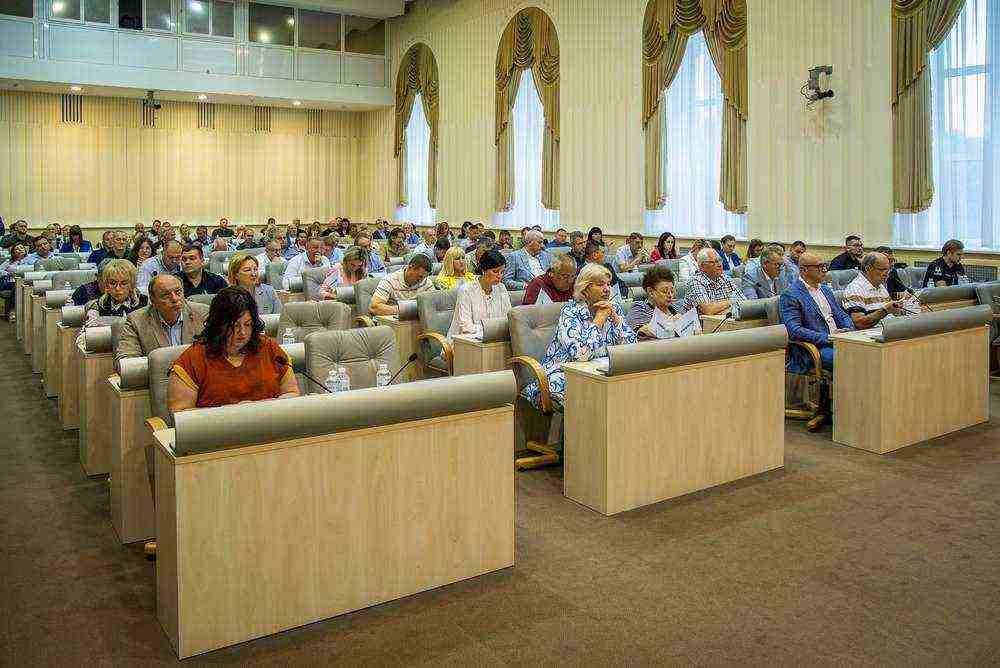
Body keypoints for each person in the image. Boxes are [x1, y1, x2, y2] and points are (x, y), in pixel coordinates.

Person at [523, 263, 638, 409]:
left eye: (608, 284)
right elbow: (580, 354)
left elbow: (632, 348)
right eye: (600, 285)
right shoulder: (570, 312)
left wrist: (616, 319)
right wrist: (598, 321)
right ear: (585, 289)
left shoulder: (613, 308)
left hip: (602, 371)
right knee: (593, 397)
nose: (607, 289)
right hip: (566, 372)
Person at [168, 286, 299, 412]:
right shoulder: (193, 359)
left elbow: (292, 393)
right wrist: (235, 413)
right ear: (218, 324)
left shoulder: (269, 348)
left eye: (248, 324)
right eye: (235, 326)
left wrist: (257, 408)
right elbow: (181, 414)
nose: (242, 332)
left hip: (270, 425)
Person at [779, 252, 855, 428]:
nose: (824, 269)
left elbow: (842, 315)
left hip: (839, 340)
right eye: (819, 266)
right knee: (848, 360)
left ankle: (855, 407)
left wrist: (848, 330)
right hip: (814, 348)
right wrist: (829, 337)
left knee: (866, 353)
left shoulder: (826, 290)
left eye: (824, 265)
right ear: (804, 270)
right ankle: (843, 411)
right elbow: (794, 331)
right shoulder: (791, 294)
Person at [115, 273, 210, 365]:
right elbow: (126, 362)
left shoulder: (203, 313)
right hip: (158, 375)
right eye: (166, 295)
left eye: (178, 292)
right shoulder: (136, 321)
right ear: (153, 301)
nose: (175, 299)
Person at [446, 250, 512, 339]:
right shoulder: (466, 290)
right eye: (495, 271)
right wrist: (491, 329)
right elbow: (466, 327)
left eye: (502, 272)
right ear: (483, 270)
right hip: (464, 341)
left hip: (494, 339)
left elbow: (508, 319)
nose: (499, 276)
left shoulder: (501, 288)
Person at [841, 252, 908, 329]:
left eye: (888, 269)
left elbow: (890, 313)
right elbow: (859, 323)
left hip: (889, 329)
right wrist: (885, 311)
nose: (886, 274)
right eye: (882, 270)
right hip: (871, 334)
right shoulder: (855, 288)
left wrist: (898, 310)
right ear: (868, 269)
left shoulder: (880, 286)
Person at [682, 248, 747, 315]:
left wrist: (728, 310)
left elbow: (744, 303)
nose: (719, 265)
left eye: (720, 260)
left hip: (723, 320)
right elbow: (708, 310)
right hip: (701, 321)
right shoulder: (695, 281)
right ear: (702, 266)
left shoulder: (726, 279)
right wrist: (732, 301)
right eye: (713, 262)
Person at [369, 254, 435, 316]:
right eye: (419, 276)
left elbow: (435, 305)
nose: (420, 281)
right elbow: (374, 308)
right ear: (410, 267)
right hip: (392, 321)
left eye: (424, 277)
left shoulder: (426, 282)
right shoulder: (389, 281)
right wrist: (406, 310)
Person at [626, 265, 681, 334]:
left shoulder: (676, 307)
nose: (670, 295)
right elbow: (641, 333)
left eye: (672, 291)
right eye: (664, 291)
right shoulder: (639, 308)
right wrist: (670, 323)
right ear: (651, 292)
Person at [83, 259, 148, 317]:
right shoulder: (97, 307)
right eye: (113, 283)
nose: (117, 288)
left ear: (132, 284)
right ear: (107, 285)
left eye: (124, 284)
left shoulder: (146, 303)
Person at [0, 244, 29, 318]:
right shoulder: (9, 262)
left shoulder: (29, 260)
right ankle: (13, 309)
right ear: (13, 253)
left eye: (21, 248)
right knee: (16, 285)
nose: (20, 250)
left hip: (26, 282)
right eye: (17, 249)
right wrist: (8, 273)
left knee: (20, 285)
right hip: (9, 283)